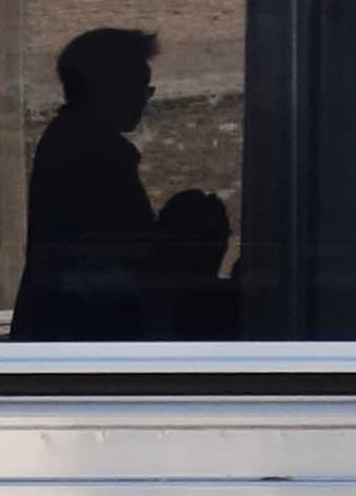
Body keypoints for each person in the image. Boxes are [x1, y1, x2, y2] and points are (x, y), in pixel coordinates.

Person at [14, 27, 225, 340]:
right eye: (141, 88)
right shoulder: (95, 153)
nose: (145, 100)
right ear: (109, 87)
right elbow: (127, 260)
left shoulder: (70, 141)